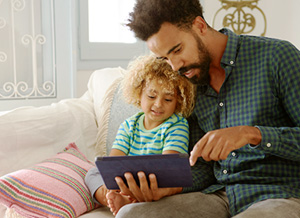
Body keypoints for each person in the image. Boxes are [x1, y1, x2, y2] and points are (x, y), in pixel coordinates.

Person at [107, 0, 300, 218]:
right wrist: (170, 187)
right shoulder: (187, 84)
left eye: (177, 50)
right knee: (131, 214)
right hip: (218, 196)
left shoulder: (276, 57)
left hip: (278, 194)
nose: (175, 66)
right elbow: (201, 167)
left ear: (199, 25)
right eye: (165, 58)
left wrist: (251, 134)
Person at [84, 54, 196, 216]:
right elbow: (114, 161)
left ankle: (128, 201)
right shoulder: (129, 124)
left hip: (154, 182)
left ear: (178, 101)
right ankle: (111, 197)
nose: (158, 104)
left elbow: (169, 167)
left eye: (168, 99)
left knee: (166, 183)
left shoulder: (177, 125)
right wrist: (116, 179)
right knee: (92, 173)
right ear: (139, 93)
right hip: (127, 179)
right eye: (151, 96)